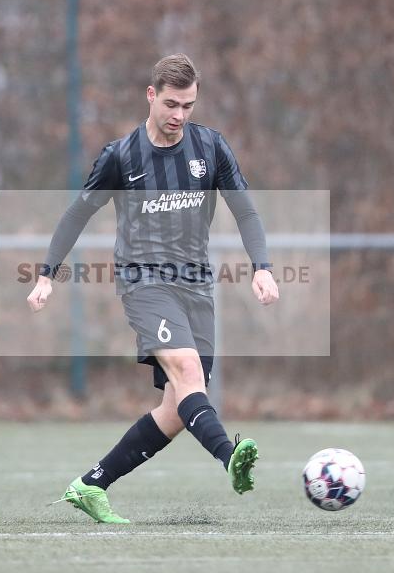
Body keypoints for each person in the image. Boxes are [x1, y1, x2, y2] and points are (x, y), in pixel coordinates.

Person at [29, 54, 279, 524]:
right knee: (187, 372)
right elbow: (76, 214)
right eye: (170, 104)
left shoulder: (211, 147)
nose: (179, 115)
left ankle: (90, 485)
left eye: (188, 105)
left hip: (197, 286)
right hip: (144, 282)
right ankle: (231, 457)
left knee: (178, 406)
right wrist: (47, 274)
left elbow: (246, 212)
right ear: (150, 95)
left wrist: (261, 267)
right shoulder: (121, 157)